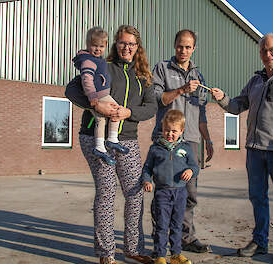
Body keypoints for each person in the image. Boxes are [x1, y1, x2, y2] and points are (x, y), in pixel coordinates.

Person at [211, 33, 273, 264]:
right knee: (257, 197)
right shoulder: (255, 81)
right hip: (254, 150)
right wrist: (222, 98)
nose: (268, 54)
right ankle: (260, 241)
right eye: (264, 50)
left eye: (272, 50)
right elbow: (237, 106)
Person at [79, 25, 157, 264]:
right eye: (122, 43)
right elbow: (72, 90)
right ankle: (106, 255)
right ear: (116, 44)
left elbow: (152, 107)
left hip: (127, 139)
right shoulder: (102, 64)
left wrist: (129, 112)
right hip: (96, 138)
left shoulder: (143, 76)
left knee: (135, 194)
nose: (127, 48)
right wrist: (96, 104)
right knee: (107, 193)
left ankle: (133, 248)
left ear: (137, 47)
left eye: (131, 44)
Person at [151, 29, 213, 253]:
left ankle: (185, 238)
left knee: (189, 193)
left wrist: (208, 140)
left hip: (191, 143)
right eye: (180, 46)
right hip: (165, 141)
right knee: (164, 193)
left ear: (194, 49)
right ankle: (160, 239)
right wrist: (182, 89)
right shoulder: (162, 68)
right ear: (174, 45)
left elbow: (201, 113)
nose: (183, 50)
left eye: (188, 47)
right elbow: (159, 99)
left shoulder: (199, 76)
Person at [142, 109, 198, 264]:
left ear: (181, 131)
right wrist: (147, 181)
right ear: (162, 129)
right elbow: (147, 168)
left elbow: (195, 166)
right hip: (162, 193)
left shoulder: (185, 148)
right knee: (161, 225)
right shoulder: (155, 149)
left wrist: (190, 170)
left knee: (177, 225)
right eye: (167, 130)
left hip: (180, 192)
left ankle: (175, 255)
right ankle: (160, 255)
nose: (170, 134)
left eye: (174, 131)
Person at [73, 27, 128, 166]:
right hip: (99, 95)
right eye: (94, 46)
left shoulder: (97, 60)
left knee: (101, 119)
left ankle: (100, 146)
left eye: (101, 46)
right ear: (87, 45)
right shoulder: (89, 61)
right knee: (116, 110)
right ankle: (111, 139)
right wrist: (92, 97)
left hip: (101, 94)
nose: (98, 49)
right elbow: (86, 79)